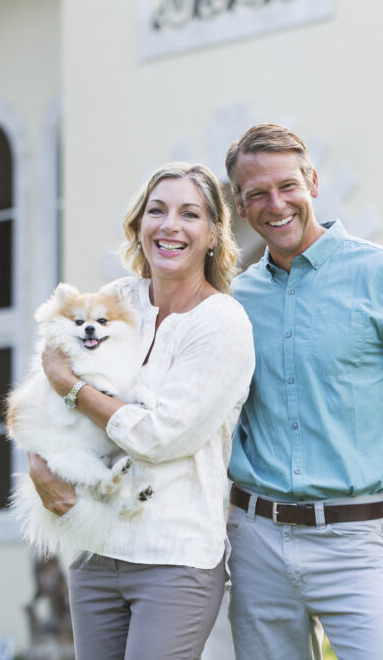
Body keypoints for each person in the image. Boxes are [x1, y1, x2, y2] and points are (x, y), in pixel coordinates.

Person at [223, 124, 383, 659]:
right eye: (257, 195)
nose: (276, 203)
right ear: (241, 209)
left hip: (356, 542)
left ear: (313, 182)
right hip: (255, 542)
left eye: (287, 186)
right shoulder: (233, 302)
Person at [28, 162, 255, 660]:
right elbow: (44, 381)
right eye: (158, 210)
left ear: (215, 233)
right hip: (94, 546)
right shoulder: (116, 301)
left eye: (189, 214)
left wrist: (72, 388)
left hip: (174, 557)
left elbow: (161, 435)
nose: (170, 225)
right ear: (139, 224)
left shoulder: (222, 322)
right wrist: (41, 465)